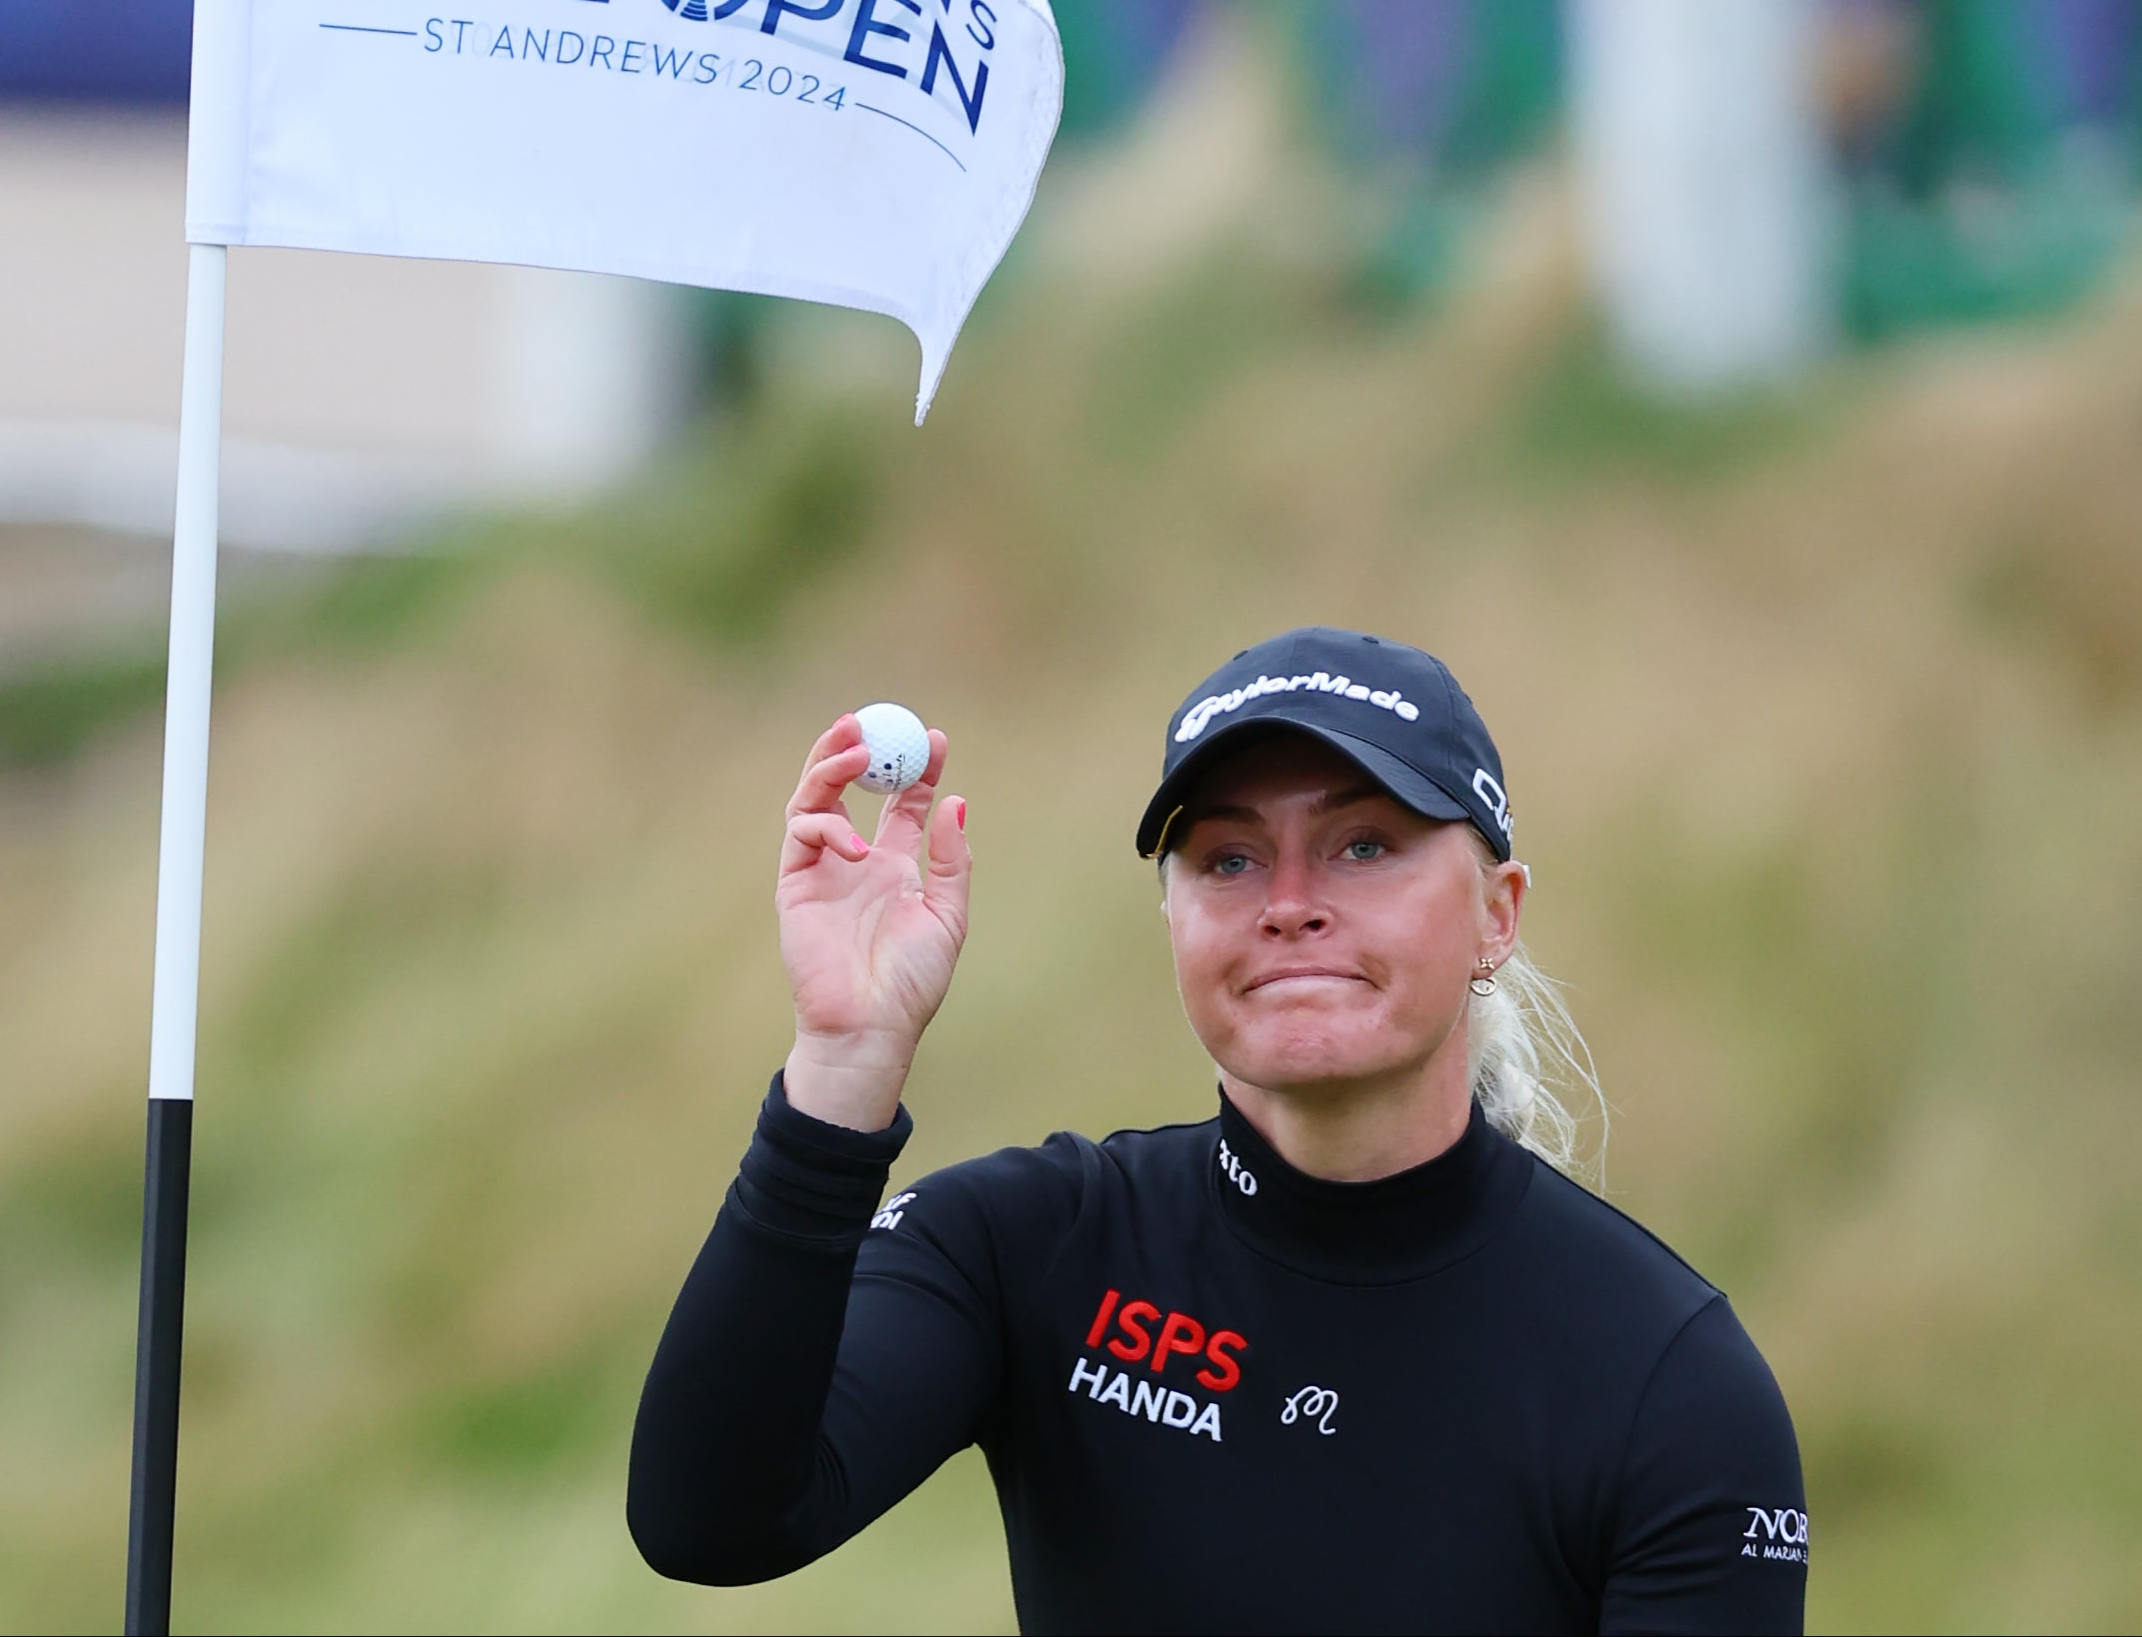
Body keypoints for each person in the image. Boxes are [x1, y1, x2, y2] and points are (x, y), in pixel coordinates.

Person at [628, 627, 1806, 1634]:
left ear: (1495, 915)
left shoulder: (1667, 1381)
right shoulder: (1030, 1246)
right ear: (1175, 921)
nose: (1289, 904)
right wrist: (844, 1061)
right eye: (1229, 858)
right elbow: (711, 1523)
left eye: (1363, 845)